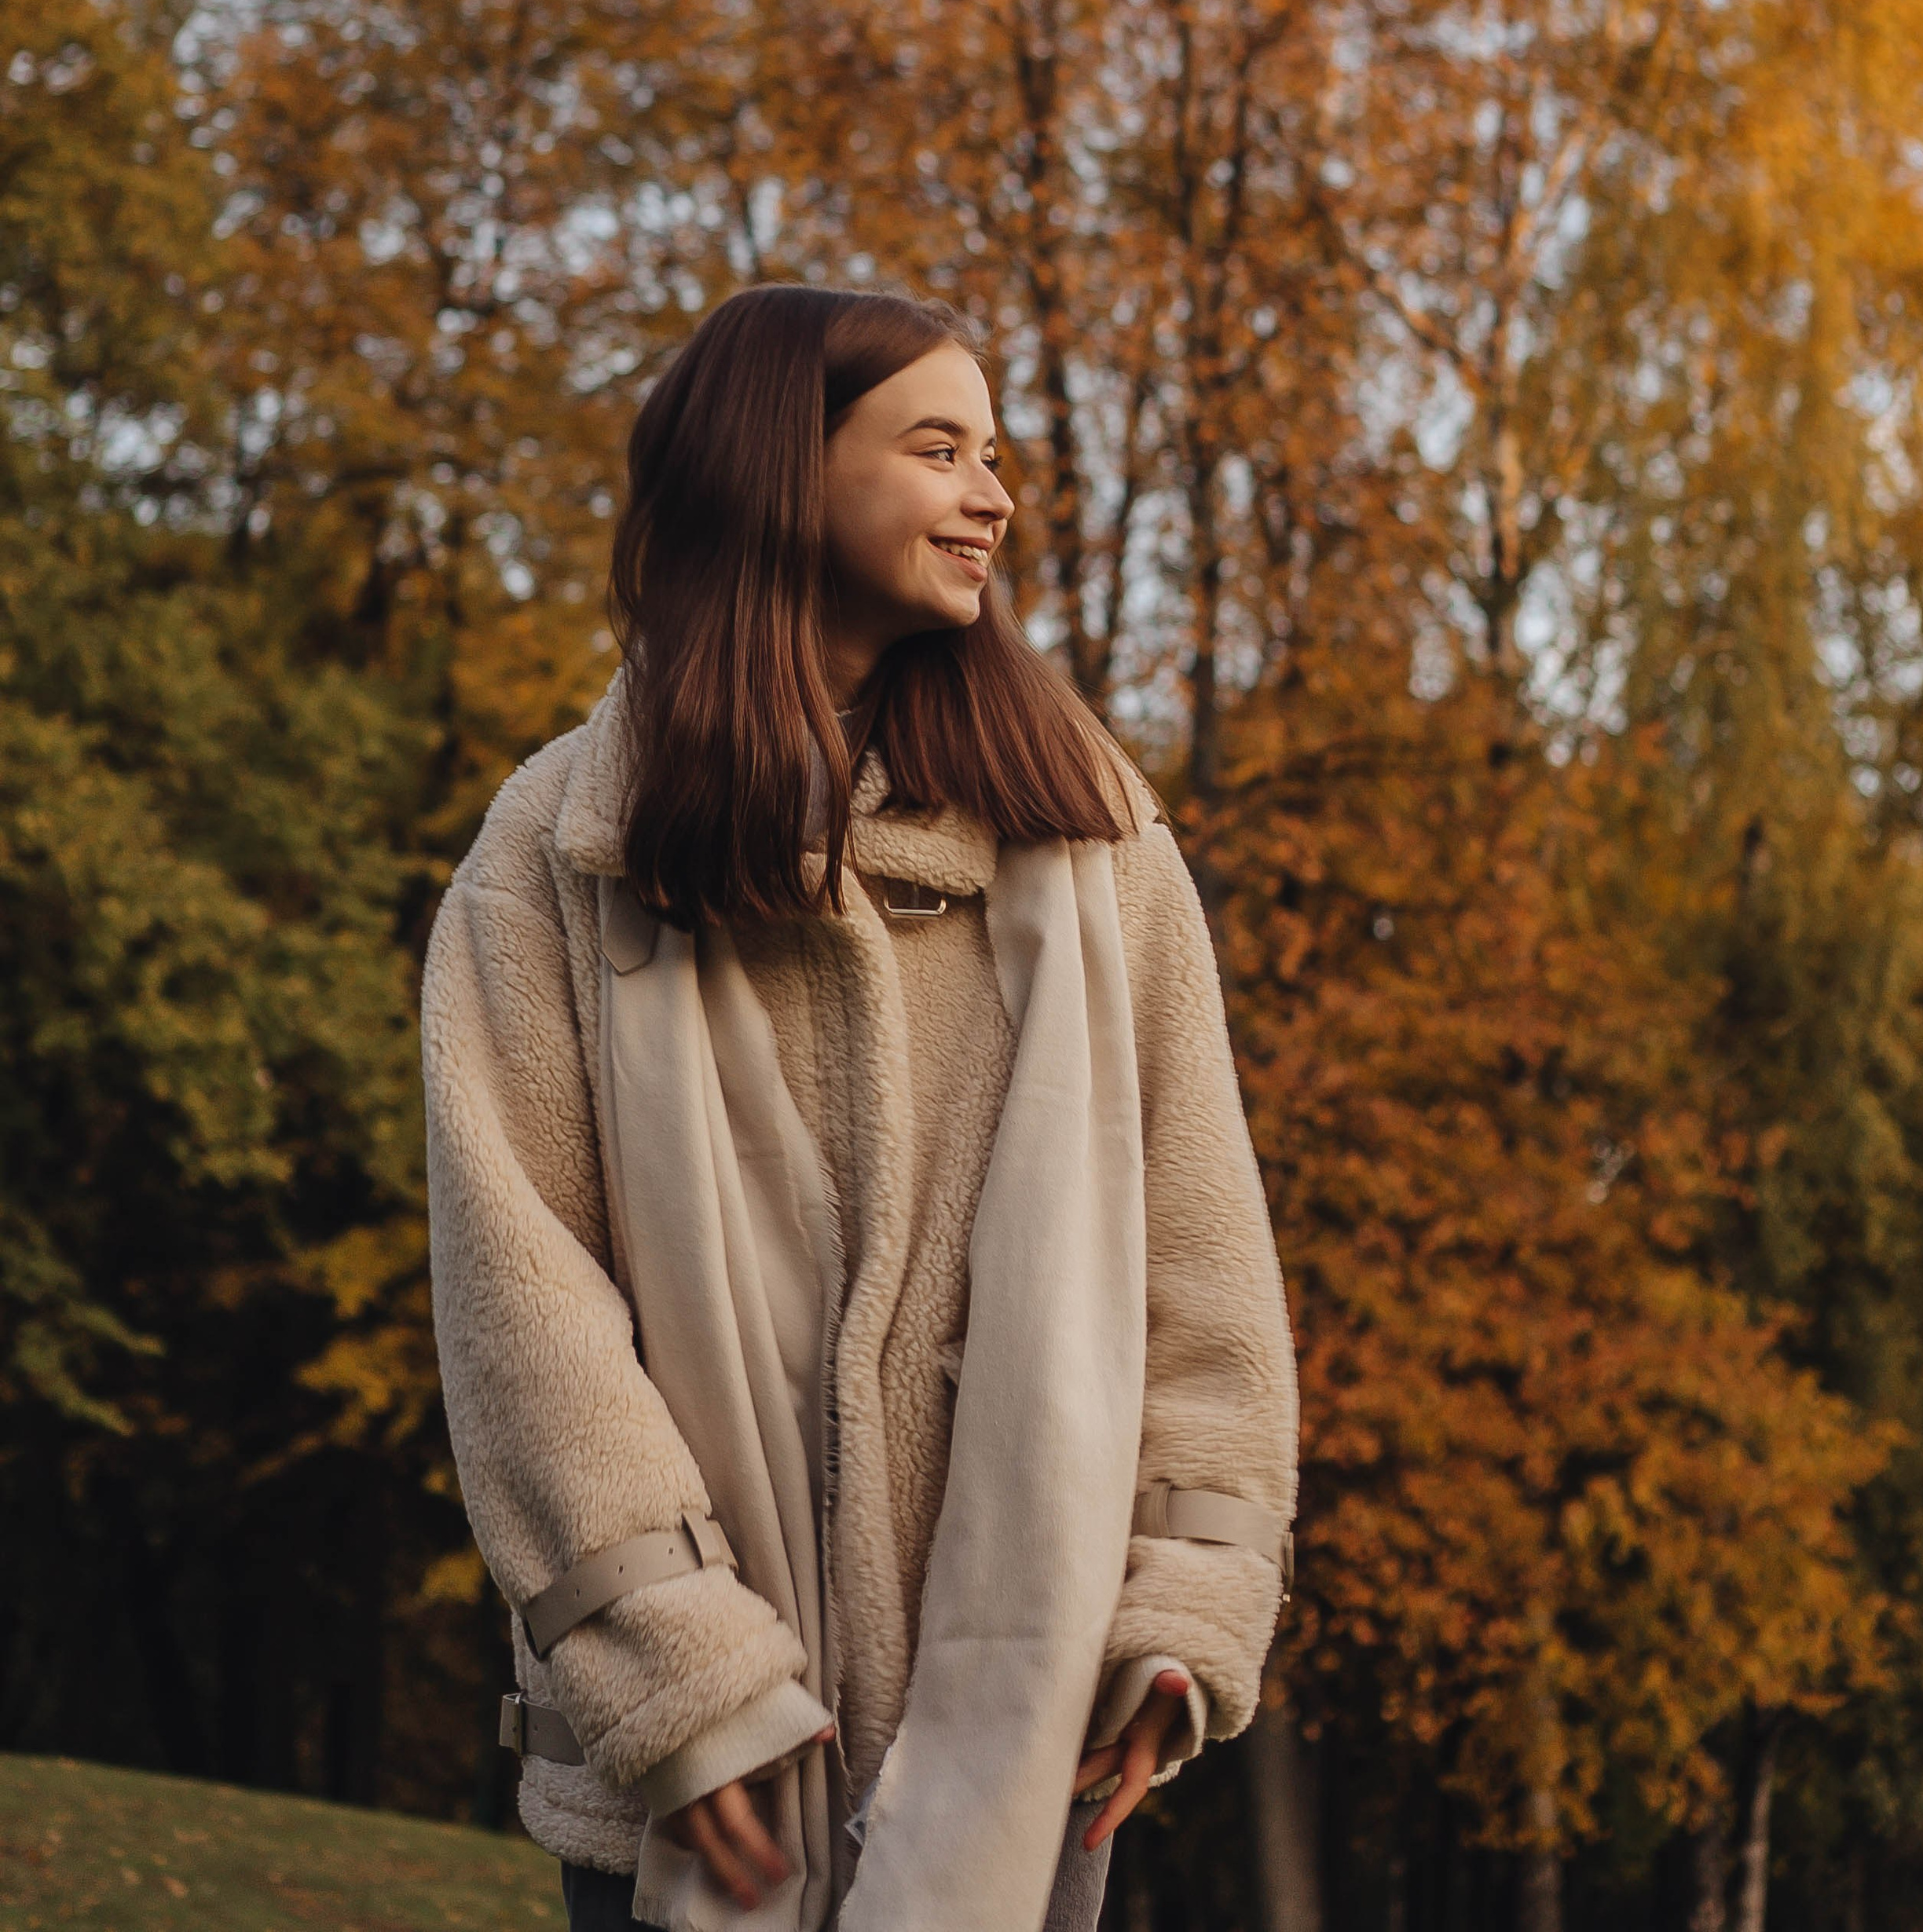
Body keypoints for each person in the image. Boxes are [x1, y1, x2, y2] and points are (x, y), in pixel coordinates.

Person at [422, 286, 1298, 1932]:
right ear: (783, 470)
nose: (993, 497)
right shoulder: (553, 855)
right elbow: (520, 1308)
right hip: (698, 1790)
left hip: (1026, 1763)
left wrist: (1180, 1611)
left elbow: (1201, 1259)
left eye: (995, 456)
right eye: (937, 449)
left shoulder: (1093, 839)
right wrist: (682, 1678)